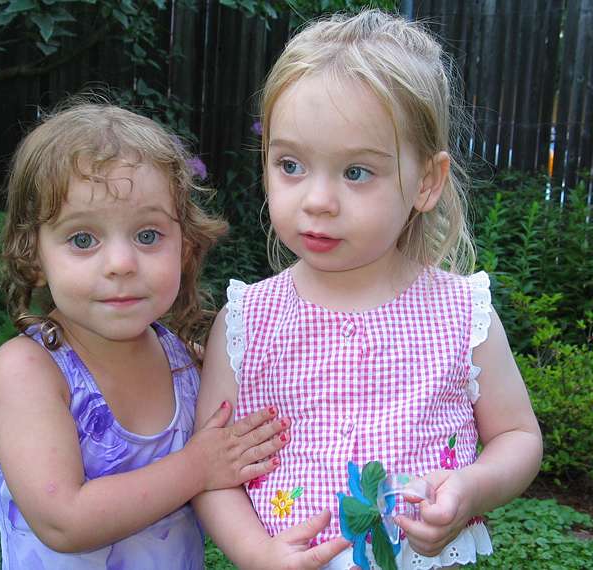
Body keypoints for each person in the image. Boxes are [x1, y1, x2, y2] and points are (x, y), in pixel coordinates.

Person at [193, 9, 542, 570]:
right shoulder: (247, 321)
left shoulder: (461, 313)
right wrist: (257, 553)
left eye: (356, 172)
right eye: (291, 165)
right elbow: (209, 471)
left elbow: (520, 437)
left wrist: (470, 490)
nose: (318, 200)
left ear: (426, 181)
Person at [0, 102, 292, 569]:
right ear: (33, 257)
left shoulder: (186, 362)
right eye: (83, 239)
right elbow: (64, 521)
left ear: (184, 247)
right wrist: (198, 466)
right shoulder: (28, 372)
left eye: (148, 235)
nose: (121, 263)